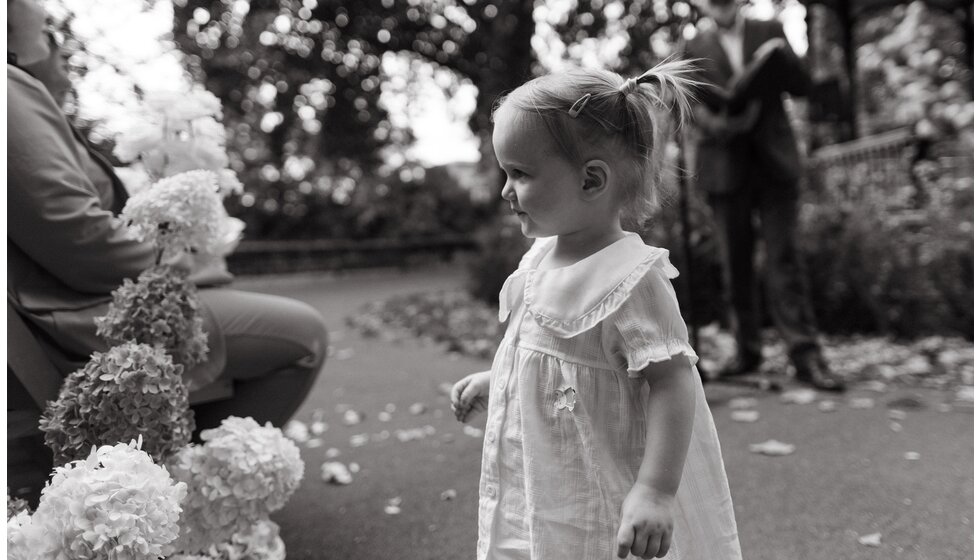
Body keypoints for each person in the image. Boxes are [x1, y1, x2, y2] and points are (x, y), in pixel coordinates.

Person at [450, 61, 741, 560]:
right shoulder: (539, 258)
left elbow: (673, 383)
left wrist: (655, 490)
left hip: (605, 482)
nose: (505, 190)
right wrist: (498, 377)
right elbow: (542, 351)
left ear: (591, 181)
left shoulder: (632, 278)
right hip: (546, 480)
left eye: (519, 173)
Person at [7, 0, 327, 440]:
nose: (57, 44)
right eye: (46, 30)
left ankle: (186, 469)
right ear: (11, 38)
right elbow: (81, 240)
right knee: (304, 336)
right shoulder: (8, 89)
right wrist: (196, 263)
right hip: (78, 317)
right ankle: (196, 477)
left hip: (78, 303)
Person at [682, 0, 846, 391]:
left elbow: (800, 84)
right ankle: (746, 351)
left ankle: (806, 355)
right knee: (734, 262)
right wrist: (717, 123)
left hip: (774, 160)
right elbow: (687, 103)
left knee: (784, 257)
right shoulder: (692, 46)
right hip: (723, 162)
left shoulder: (769, 29)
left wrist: (781, 64)